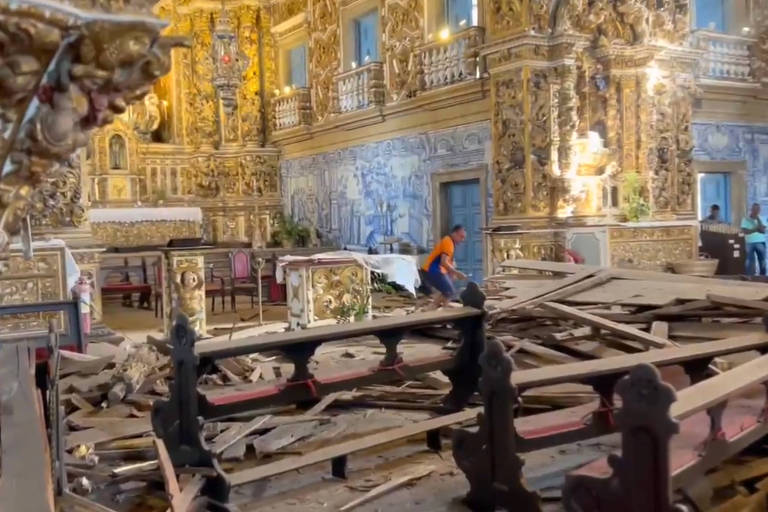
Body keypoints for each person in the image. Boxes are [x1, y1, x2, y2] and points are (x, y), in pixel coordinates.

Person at [421, 225, 467, 309]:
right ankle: (434, 308)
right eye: (461, 237)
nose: (462, 240)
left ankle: (439, 307)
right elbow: (444, 262)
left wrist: (452, 275)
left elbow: (448, 263)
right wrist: (457, 273)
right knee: (449, 291)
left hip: (434, 270)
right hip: (432, 270)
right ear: (454, 234)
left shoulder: (450, 243)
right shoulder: (448, 242)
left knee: (447, 291)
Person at [741, 203, 767, 275]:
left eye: (758, 209)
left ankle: (763, 277)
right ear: (751, 209)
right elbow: (745, 231)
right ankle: (750, 277)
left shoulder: (762, 218)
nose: (756, 211)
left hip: (760, 242)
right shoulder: (745, 219)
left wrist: (758, 219)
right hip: (749, 242)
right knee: (749, 261)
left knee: (762, 261)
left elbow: (763, 231)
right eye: (754, 209)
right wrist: (755, 229)